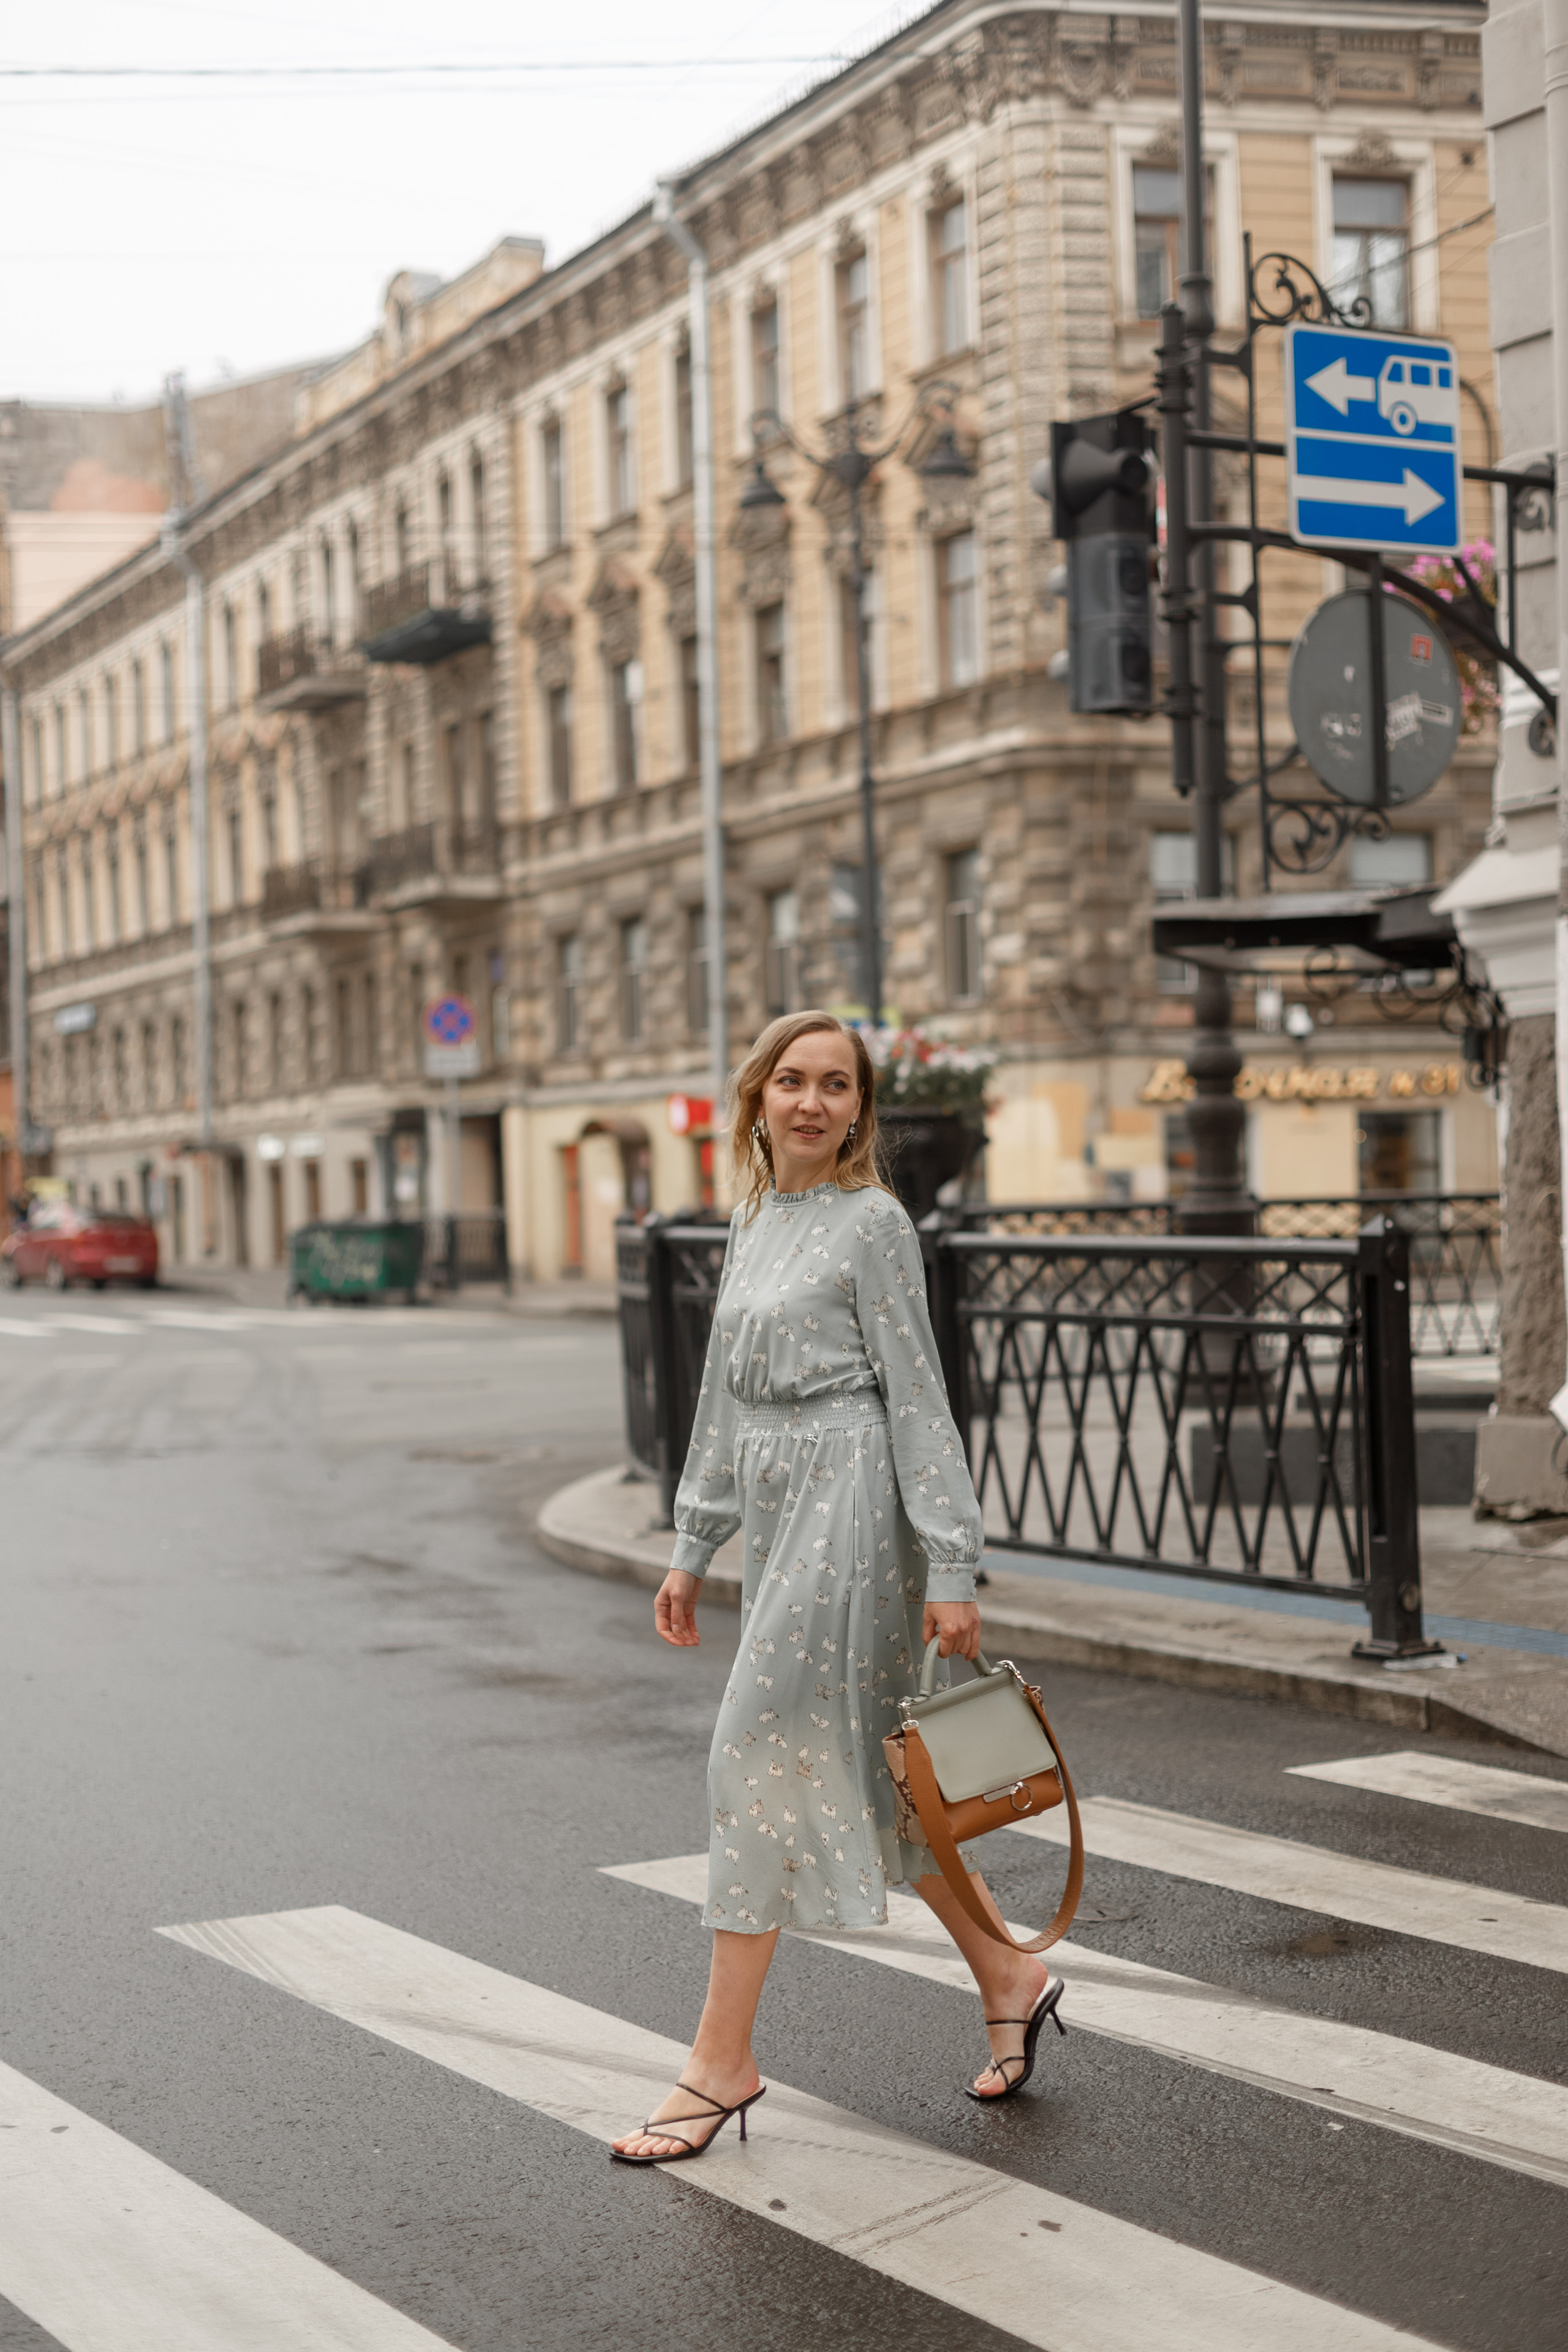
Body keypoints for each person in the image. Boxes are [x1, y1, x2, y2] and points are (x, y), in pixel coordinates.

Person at [611, 1011, 1065, 2166]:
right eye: (791, 1082)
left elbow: (916, 1394)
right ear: (758, 1094)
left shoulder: (875, 1223)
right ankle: (1011, 1972)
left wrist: (951, 1562)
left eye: (836, 1086)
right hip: (775, 1504)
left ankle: (720, 2063)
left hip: (854, 1502)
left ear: (862, 1109)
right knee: (884, 1782)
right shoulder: (756, 1215)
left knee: (751, 1753)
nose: (811, 1102)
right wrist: (693, 1541)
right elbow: (722, 1391)